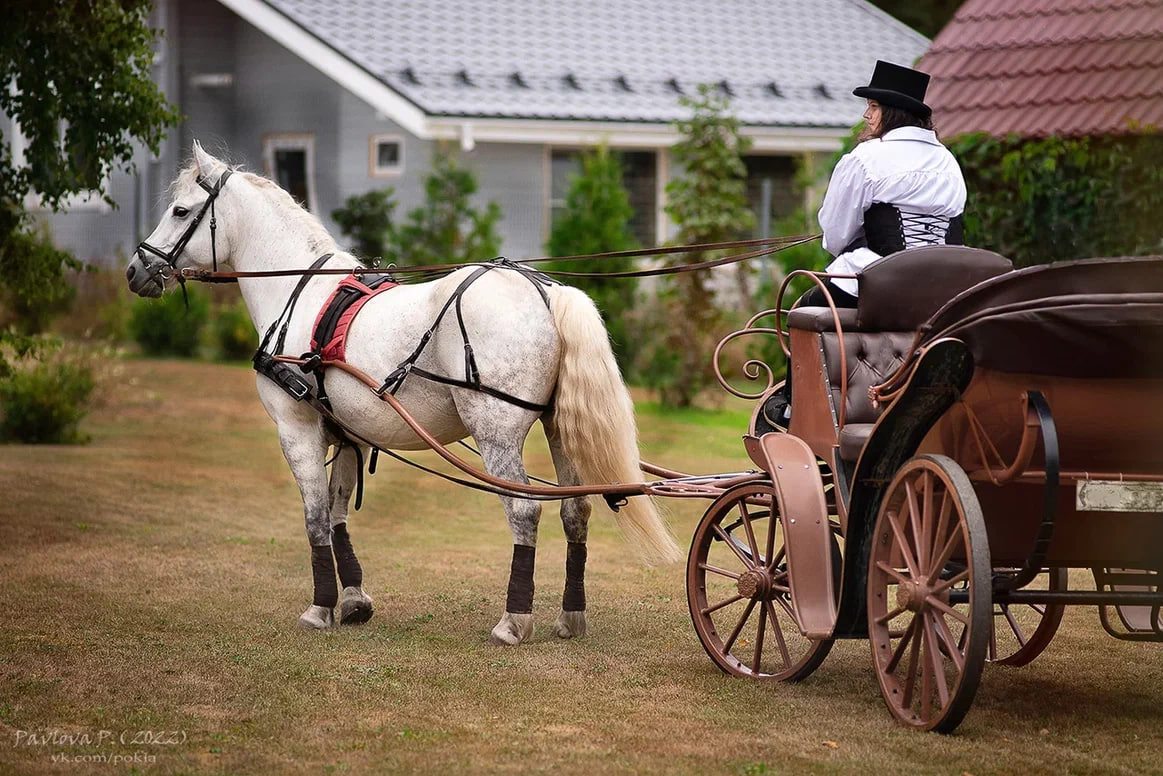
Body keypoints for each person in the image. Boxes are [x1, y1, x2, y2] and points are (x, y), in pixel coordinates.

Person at [763, 60, 967, 430]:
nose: (866, 115)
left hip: (881, 288)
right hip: (941, 294)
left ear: (890, 113)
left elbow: (836, 236)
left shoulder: (866, 159)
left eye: (872, 107)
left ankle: (795, 408)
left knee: (807, 307)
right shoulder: (948, 162)